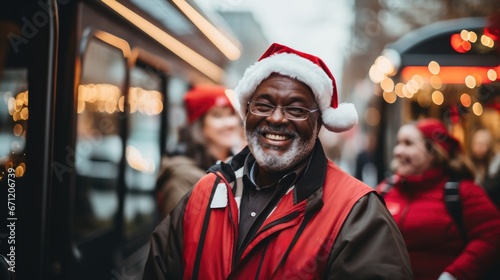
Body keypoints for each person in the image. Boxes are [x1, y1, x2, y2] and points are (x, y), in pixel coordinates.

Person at [143, 43, 413, 279]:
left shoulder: (356, 212)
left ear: (319, 121)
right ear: (247, 112)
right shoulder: (205, 191)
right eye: (263, 105)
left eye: (295, 109)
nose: (276, 118)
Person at [376, 118, 500, 280]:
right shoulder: (386, 189)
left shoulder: (462, 192)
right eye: (398, 143)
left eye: (408, 143)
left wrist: (455, 275)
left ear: (433, 152)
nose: (398, 151)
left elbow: (491, 234)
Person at [155, 85, 245, 217]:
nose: (229, 123)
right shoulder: (182, 176)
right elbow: (180, 233)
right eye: (217, 116)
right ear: (200, 124)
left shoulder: (235, 165)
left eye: (231, 114)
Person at [468, 127, 500, 208]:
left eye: (482, 144)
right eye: (476, 143)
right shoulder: (468, 165)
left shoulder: (496, 165)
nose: (479, 147)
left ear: (489, 145)